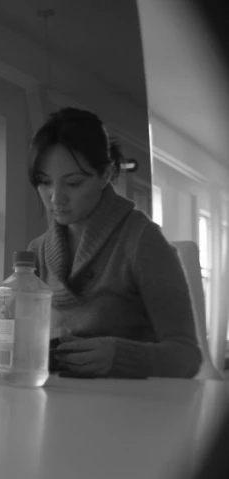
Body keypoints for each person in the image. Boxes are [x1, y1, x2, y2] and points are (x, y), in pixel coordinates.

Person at [26, 107, 201, 378]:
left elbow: (188, 356)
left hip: (132, 407)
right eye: (44, 182)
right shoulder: (36, 251)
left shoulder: (142, 240)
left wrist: (121, 356)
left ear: (105, 175)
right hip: (59, 398)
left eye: (73, 183)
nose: (55, 198)